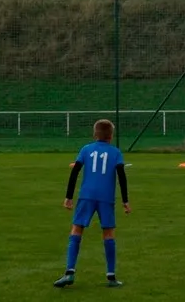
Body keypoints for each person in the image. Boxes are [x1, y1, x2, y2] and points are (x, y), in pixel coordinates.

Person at [54, 119, 130, 289]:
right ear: (111, 136)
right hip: (106, 198)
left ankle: (69, 272)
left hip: (86, 196)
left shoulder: (86, 149)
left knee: (76, 229)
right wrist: (125, 201)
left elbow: (75, 172)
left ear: (95, 134)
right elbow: (122, 176)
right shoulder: (115, 152)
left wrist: (68, 197)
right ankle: (111, 276)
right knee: (108, 233)